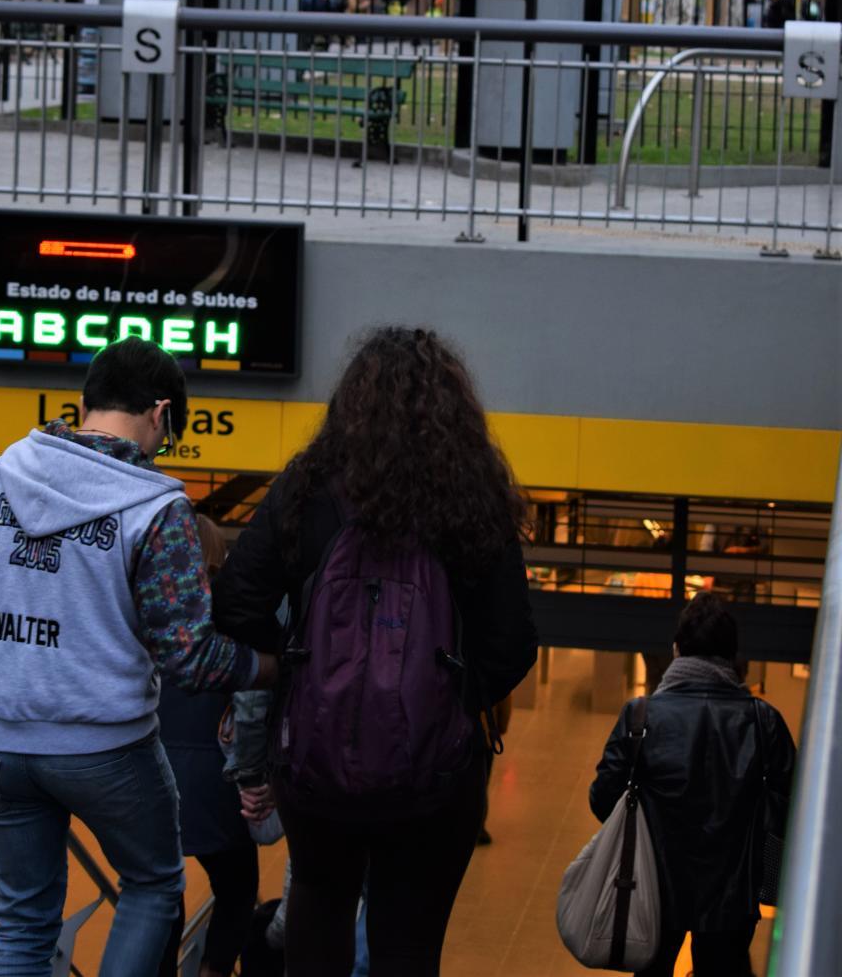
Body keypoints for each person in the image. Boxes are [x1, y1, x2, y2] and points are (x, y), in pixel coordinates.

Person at [0, 337, 276, 977]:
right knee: (151, 885)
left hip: (0, 745)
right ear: (161, 415)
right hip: (105, 746)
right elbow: (188, 657)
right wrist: (270, 667)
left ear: (85, 402)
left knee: (25, 918)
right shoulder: (155, 506)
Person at [214, 326, 538, 977]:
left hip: (316, 764)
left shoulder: (305, 491)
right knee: (407, 946)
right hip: (433, 775)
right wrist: (450, 694)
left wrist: (300, 664)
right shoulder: (473, 502)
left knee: (318, 906)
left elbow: (235, 602)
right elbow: (512, 645)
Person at [589, 593, 795, 977]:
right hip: (732, 899)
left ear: (676, 650)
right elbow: (790, 811)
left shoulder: (641, 716)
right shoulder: (764, 721)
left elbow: (602, 798)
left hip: (651, 890)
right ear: (734, 658)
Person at [157, 516, 259, 977]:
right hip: (214, 776)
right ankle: (214, 969)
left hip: (152, 773)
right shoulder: (233, 615)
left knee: (157, 890)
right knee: (238, 885)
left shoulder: (149, 607)